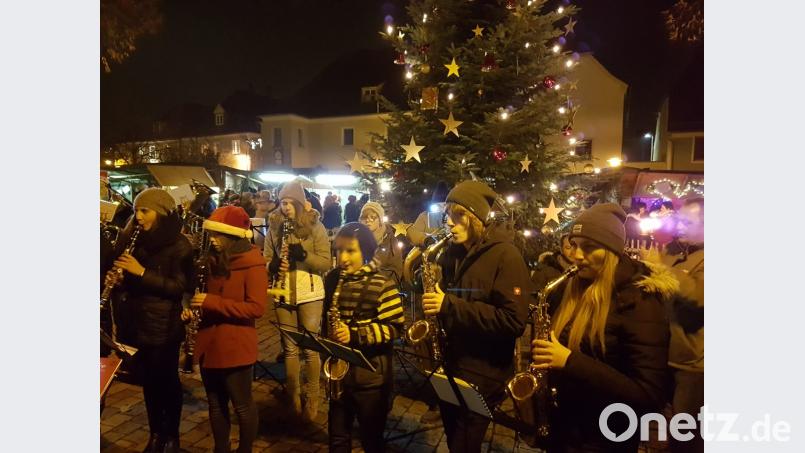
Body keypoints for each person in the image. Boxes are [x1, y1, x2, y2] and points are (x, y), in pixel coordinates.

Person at [530, 203, 673, 452]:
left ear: (610, 250)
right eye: (574, 244)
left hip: (606, 437)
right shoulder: (572, 287)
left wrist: (570, 361)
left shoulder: (640, 301)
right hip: (566, 431)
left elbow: (649, 395)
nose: (576, 255)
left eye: (589, 247)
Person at [421, 180, 531, 453]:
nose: (449, 222)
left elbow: (513, 321)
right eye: (448, 215)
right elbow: (447, 297)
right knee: (453, 439)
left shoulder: (506, 256)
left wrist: (448, 305)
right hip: (452, 364)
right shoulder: (453, 253)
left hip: (483, 373)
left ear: (476, 218)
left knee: (464, 444)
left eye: (458, 216)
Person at [104, 188, 193, 453]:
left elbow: (178, 287)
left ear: (161, 213)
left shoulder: (180, 245)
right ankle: (156, 434)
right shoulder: (134, 238)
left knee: (168, 382)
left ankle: (172, 435)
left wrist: (141, 272)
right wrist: (119, 281)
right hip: (138, 323)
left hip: (164, 326)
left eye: (145, 211)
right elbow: (129, 283)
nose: (139, 217)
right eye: (136, 211)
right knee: (150, 383)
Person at [189, 206, 267, 453]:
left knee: (242, 405)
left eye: (218, 234)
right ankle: (220, 448)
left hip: (235, 344)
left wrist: (212, 302)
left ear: (232, 235)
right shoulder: (214, 260)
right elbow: (205, 298)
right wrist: (193, 310)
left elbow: (256, 308)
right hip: (210, 342)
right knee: (215, 404)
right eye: (211, 234)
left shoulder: (252, 264)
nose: (212, 239)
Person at [324, 222, 405, 453]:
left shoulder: (383, 284)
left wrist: (354, 334)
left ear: (366, 251)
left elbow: (394, 328)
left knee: (371, 440)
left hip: (370, 380)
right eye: (339, 250)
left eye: (350, 251)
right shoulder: (334, 279)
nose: (342, 258)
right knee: (337, 438)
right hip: (340, 375)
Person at [264, 180, 331, 420]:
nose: (286, 207)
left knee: (311, 348)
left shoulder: (315, 226)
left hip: (310, 293)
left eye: (291, 203)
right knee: (290, 348)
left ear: (300, 204)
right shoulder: (274, 226)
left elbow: (326, 262)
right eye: (283, 203)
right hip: (283, 292)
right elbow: (266, 257)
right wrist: (272, 265)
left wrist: (303, 255)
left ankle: (312, 396)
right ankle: (294, 395)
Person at [662, 197, 704, 453]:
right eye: (679, 220)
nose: (679, 227)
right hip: (666, 356)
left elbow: (699, 297)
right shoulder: (674, 252)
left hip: (693, 366)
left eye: (687, 222)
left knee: (686, 437)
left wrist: (661, 270)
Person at [359, 201, 408, 283]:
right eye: (364, 217)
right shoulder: (356, 238)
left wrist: (375, 280)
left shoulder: (389, 239)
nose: (368, 220)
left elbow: (396, 270)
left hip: (383, 286)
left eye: (372, 217)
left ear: (380, 220)